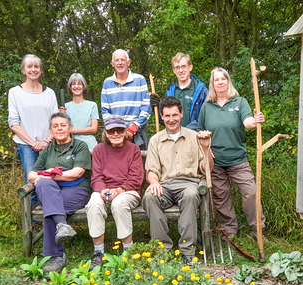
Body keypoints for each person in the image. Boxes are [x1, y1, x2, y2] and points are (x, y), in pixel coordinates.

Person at [197, 67, 266, 240]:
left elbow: (247, 121)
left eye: (223, 79)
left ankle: (258, 229)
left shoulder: (239, 102)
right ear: (212, 84)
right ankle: (229, 230)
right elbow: (199, 132)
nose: (220, 82)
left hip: (238, 160)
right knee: (221, 196)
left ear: (228, 81)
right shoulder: (206, 107)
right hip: (215, 162)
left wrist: (255, 121)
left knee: (251, 192)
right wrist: (206, 149)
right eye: (216, 80)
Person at [142, 96, 213, 265]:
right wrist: (154, 182)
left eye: (175, 115)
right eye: (167, 116)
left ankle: (187, 251)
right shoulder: (155, 140)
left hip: (189, 184)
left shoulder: (194, 136)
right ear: (161, 116)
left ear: (181, 114)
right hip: (164, 185)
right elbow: (151, 170)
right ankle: (162, 249)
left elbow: (207, 169)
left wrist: (206, 148)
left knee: (190, 195)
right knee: (150, 197)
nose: (171, 119)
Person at [28, 113, 92, 273]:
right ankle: (63, 227)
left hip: (77, 189)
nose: (59, 128)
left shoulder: (80, 146)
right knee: (44, 185)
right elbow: (31, 175)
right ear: (51, 130)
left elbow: (77, 172)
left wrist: (49, 174)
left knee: (52, 206)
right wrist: (42, 176)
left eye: (63, 125)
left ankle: (57, 257)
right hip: (53, 190)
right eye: (55, 126)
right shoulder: (48, 149)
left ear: (70, 128)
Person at [85, 116, 144, 270]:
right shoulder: (99, 150)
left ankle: (128, 250)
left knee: (119, 203)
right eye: (111, 131)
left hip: (128, 190)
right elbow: (96, 176)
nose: (116, 134)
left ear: (125, 132)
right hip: (104, 189)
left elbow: (136, 177)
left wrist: (120, 189)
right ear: (105, 132)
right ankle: (98, 253)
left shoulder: (133, 149)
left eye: (119, 130)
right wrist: (103, 189)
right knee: (94, 204)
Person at [8, 54, 59, 207]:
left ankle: (51, 216)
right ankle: (34, 221)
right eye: (29, 66)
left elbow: (56, 121)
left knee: (52, 179)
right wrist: (32, 143)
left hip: (48, 144)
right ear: (23, 70)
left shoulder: (49, 93)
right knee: (32, 180)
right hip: (26, 146)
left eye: (36, 66)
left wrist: (46, 141)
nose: (33, 69)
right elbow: (13, 123)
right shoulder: (15, 92)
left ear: (40, 70)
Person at [101, 49, 152, 150]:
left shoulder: (140, 80)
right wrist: (116, 130)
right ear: (112, 63)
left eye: (122, 60)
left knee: (140, 162)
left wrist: (133, 129)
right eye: (117, 60)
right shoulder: (107, 83)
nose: (120, 63)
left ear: (128, 62)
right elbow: (105, 111)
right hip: (115, 134)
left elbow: (146, 108)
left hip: (137, 134)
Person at [165, 53, 208, 130]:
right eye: (177, 67)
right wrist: (157, 108)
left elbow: (205, 117)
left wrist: (185, 131)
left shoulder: (202, 91)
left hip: (194, 137)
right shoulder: (170, 91)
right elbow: (165, 118)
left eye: (183, 66)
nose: (181, 70)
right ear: (174, 70)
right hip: (174, 136)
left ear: (190, 67)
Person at [59, 73, 99, 151]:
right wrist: (61, 115)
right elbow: (62, 129)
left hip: (89, 147)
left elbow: (94, 129)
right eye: (73, 84)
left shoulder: (92, 105)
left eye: (79, 84)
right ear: (70, 87)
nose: (76, 86)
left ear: (83, 86)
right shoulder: (65, 107)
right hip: (70, 147)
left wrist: (73, 131)